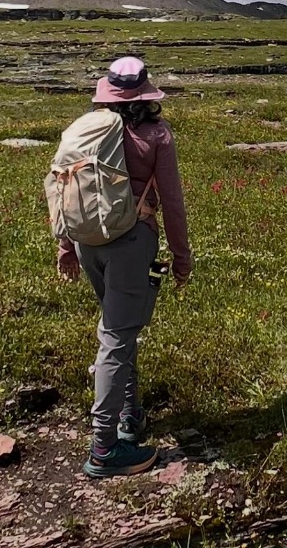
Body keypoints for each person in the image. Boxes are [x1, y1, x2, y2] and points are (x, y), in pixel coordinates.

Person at [57, 56, 193, 478]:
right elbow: (172, 201)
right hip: (132, 242)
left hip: (87, 242)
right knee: (116, 336)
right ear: (146, 93)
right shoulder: (157, 135)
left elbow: (66, 184)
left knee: (120, 327)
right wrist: (181, 256)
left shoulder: (88, 128)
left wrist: (65, 243)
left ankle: (129, 416)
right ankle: (105, 447)